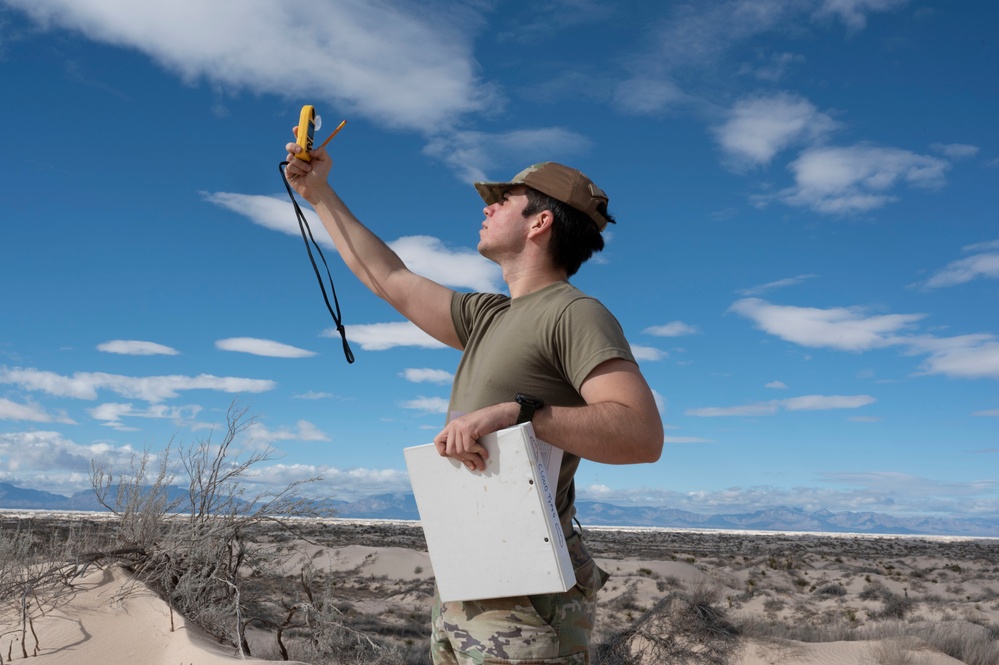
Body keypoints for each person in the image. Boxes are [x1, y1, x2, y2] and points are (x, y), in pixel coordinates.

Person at [283, 136, 664, 664]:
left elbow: (641, 435)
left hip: (529, 591)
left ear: (540, 223)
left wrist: (523, 412)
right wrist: (318, 193)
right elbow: (390, 278)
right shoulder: (490, 316)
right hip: (471, 573)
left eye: (504, 200)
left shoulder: (575, 314)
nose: (487, 207)